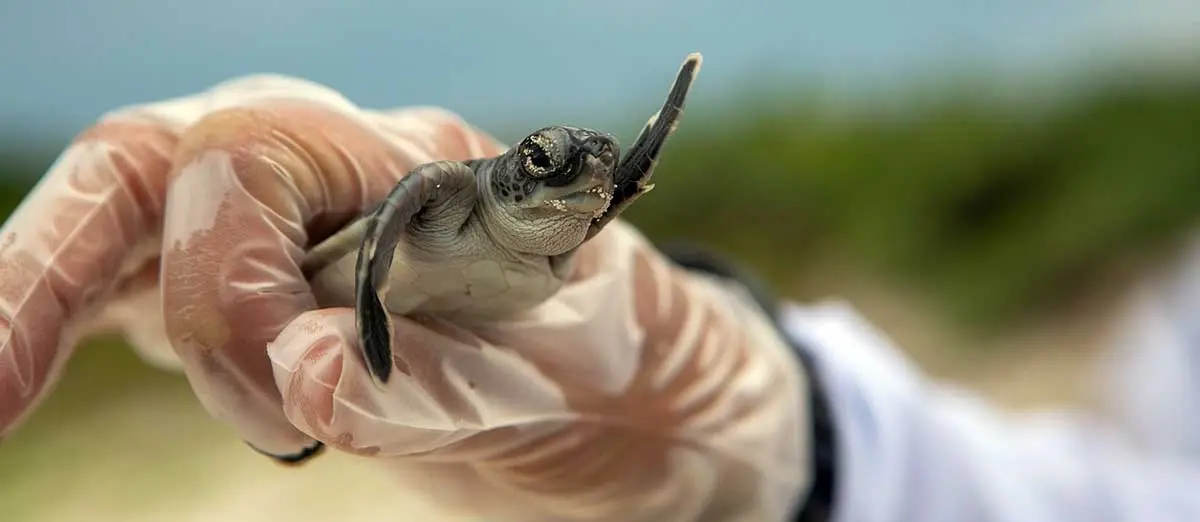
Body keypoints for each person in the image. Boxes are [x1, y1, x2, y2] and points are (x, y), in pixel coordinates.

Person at [0, 74, 1198, 522]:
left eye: (594, 179)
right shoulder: (450, 190)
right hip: (399, 274)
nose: (574, 185)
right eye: (543, 168)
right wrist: (814, 445)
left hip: (508, 300)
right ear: (514, 169)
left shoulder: (585, 207)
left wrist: (739, 424)